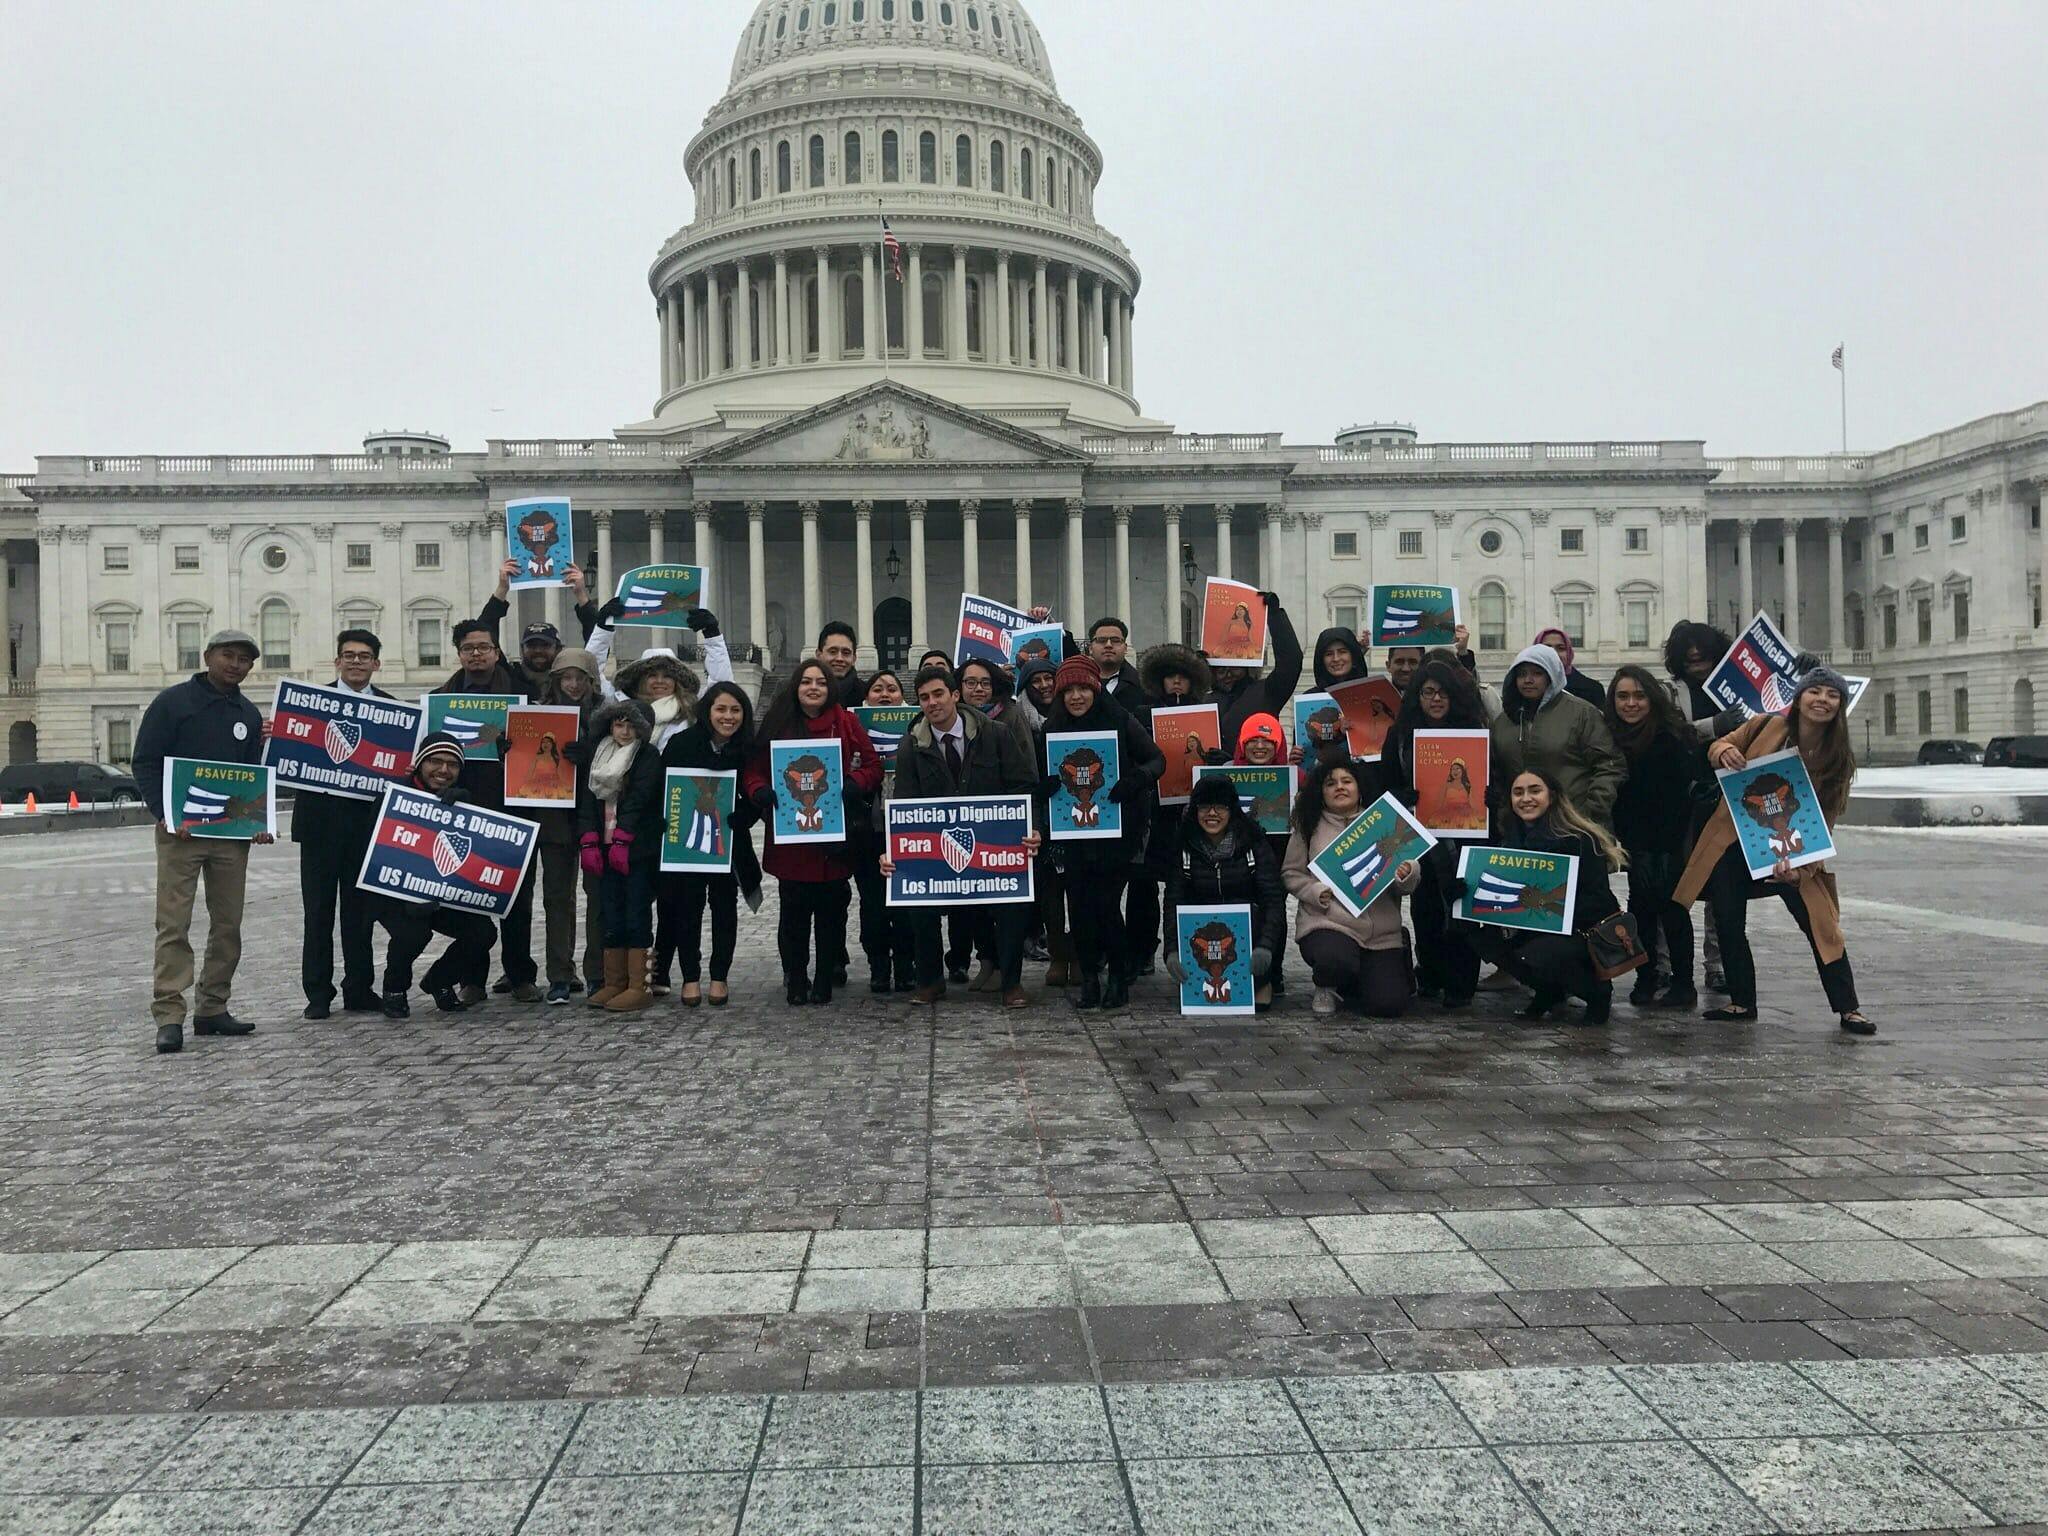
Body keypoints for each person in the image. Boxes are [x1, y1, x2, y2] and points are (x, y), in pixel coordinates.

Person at [1674, 667, 1872, 1034]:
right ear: (1799, 698)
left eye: (1832, 695)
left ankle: (1849, 1008)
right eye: (1816, 691)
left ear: (1840, 706)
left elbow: (1825, 820)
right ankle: (1741, 1001)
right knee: (1729, 919)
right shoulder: (1767, 726)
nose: (1822, 700)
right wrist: (1727, 751)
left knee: (1820, 924)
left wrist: (1802, 870)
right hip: (1735, 840)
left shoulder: (1838, 757)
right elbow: (1717, 746)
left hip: (1793, 848)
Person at [133, 629, 273, 1055]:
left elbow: (251, 778)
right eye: (227, 656)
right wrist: (166, 813)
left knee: (228, 924)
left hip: (230, 838)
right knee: (174, 924)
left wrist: (259, 822)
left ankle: (212, 1007)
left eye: (244, 660)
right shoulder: (173, 702)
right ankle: (170, 1015)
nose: (235, 665)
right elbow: (145, 761)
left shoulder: (248, 714)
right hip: (183, 834)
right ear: (208, 656)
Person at [885, 664, 1043, 1007]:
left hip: (993, 844)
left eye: (938, 694)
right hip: (940, 852)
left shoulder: (995, 734)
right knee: (917, 896)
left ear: (955, 695)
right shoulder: (911, 746)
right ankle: (930, 980)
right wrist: (893, 850)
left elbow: (1024, 785)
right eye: (924, 698)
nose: (932, 703)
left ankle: (1012, 982)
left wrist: (1034, 829)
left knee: (1015, 903)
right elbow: (905, 804)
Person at [743, 658, 884, 1005]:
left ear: (829, 688)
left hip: (833, 836)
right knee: (793, 913)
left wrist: (855, 782)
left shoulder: (846, 722)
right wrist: (759, 790)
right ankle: (796, 976)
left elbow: (872, 765)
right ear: (796, 686)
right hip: (793, 839)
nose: (813, 688)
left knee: (830, 913)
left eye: (820, 682)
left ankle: (823, 977)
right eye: (806, 682)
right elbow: (754, 769)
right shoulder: (779, 723)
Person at [1042, 656, 1165, 1008]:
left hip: (1117, 830)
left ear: (1095, 690)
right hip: (1073, 833)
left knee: (1107, 906)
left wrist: (1135, 781)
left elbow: (1156, 760)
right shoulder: (1053, 730)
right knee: (1079, 908)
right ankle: (1090, 980)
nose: (1076, 697)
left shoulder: (1121, 721)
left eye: (1083, 689)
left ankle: (1117, 977)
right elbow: (1041, 774)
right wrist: (1047, 786)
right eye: (1069, 691)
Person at [435, 619, 543, 1003]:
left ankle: (520, 975)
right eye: (469, 648)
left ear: (497, 652)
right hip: (464, 809)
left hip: (515, 809)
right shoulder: (440, 697)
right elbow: (432, 760)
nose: (476, 654)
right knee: (468, 898)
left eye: (484, 647)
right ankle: (472, 979)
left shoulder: (523, 694)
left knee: (517, 898)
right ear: (459, 654)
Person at [1383, 660, 1494, 1008]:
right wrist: (1402, 798)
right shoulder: (1400, 736)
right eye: (1428, 692)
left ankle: (1461, 982)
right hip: (1420, 838)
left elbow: (1495, 780)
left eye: (1443, 693)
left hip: (1467, 838)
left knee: (1463, 907)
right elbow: (1385, 787)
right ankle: (1430, 972)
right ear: (1417, 696)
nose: (1435, 699)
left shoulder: (1475, 730)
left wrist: (1491, 797)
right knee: (1426, 909)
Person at [294, 628, 392, 1020]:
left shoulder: (392, 711)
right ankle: (318, 994)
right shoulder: (309, 705)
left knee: (360, 914)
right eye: (348, 655)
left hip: (365, 826)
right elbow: (287, 759)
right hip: (318, 825)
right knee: (317, 913)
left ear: (376, 664)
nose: (356, 662)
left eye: (364, 656)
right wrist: (276, 736)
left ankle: (359, 988)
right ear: (337, 662)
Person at [1480, 769, 1627, 1026]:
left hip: (1583, 929)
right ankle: (1549, 991)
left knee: (1539, 952)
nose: (1526, 798)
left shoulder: (1581, 839)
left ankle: (1597, 993)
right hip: (1533, 920)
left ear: (1553, 796)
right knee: (1481, 937)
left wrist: (1555, 910)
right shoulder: (1511, 839)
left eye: (1535, 790)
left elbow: (1599, 901)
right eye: (1518, 792)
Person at [1283, 757, 1419, 1018]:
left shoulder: (1385, 822)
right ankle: (1327, 983)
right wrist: (1314, 891)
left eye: (1347, 781)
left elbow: (1405, 885)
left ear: (1360, 787)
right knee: (1334, 959)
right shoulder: (1308, 824)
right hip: (1329, 922)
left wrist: (1408, 872)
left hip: (1380, 932)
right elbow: (1291, 872)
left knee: (1387, 1005)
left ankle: (1373, 972)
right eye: (1330, 783)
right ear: (1321, 792)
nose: (1339, 787)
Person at [376, 733, 498, 1018]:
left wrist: (466, 811)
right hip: (394, 892)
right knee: (413, 932)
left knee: (482, 932)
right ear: (419, 763)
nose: (443, 770)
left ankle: (440, 980)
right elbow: (377, 852)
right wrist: (406, 894)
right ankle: (394, 987)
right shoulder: (394, 795)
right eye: (435, 761)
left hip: (443, 893)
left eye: (452, 765)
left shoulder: (464, 798)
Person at [1606, 665, 1704, 1008]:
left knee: (1673, 910)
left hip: (1669, 840)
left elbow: (1680, 797)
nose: (1631, 703)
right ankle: (1646, 978)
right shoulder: (1613, 737)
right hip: (1635, 839)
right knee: (1641, 911)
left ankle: (1684, 983)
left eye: (1638, 696)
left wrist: (1668, 846)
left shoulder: (1670, 736)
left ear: (1652, 698)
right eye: (1623, 696)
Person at [661, 681, 763, 1007]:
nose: (728, 717)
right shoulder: (682, 744)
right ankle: (690, 977)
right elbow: (663, 789)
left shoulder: (747, 748)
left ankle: (720, 977)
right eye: (721, 709)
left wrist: (743, 815)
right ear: (708, 711)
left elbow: (754, 791)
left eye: (735, 710)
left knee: (724, 910)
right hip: (687, 844)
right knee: (687, 910)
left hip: (728, 844)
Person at [1163, 774, 1287, 1011]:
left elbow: (1273, 900)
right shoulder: (1184, 847)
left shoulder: (1254, 843)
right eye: (1204, 807)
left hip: (1249, 933)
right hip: (1202, 937)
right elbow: (1173, 901)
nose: (1212, 814)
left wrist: (1266, 947)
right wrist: (1171, 950)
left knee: (1260, 1002)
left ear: (1232, 810)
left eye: (1220, 807)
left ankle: (1265, 978)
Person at [578, 699, 666, 1013]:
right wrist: (588, 839)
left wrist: (624, 838)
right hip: (604, 846)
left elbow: (641, 798)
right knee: (610, 913)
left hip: (636, 850)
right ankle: (613, 981)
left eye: (630, 725)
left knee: (636, 913)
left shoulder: (646, 755)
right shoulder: (599, 753)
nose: (624, 731)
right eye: (618, 724)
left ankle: (638, 984)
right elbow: (587, 800)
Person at [1490, 643, 1627, 829]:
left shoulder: (1582, 713)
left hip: (1575, 825)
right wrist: (1503, 812)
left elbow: (1609, 765)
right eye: (1522, 674)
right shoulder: (1503, 722)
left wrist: (1591, 810)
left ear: (1552, 675)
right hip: (1521, 829)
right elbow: (1497, 773)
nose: (1528, 680)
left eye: (1537, 673)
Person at [535, 648, 604, 1004]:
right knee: (557, 898)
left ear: (591, 681)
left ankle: (596, 972)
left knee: (598, 897)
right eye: (566, 677)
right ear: (556, 680)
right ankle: (560, 974)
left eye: (580, 677)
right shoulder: (537, 715)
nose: (573, 684)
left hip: (595, 816)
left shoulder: (607, 717)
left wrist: (589, 754)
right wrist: (510, 750)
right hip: (554, 818)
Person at [851, 671, 917, 993]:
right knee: (873, 904)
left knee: (905, 905)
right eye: (877, 689)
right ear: (866, 698)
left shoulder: (916, 731)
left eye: (892, 689)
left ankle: (906, 965)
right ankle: (879, 965)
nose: (885, 694)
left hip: (905, 830)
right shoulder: (853, 732)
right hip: (868, 831)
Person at [475, 559, 598, 691]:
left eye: (545, 645)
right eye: (532, 645)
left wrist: (581, 595)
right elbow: (484, 632)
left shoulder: (571, 685)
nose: (538, 651)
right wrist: (502, 589)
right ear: (522, 649)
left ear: (558, 649)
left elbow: (597, 642)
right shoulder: (507, 678)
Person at [1211, 592, 1303, 745]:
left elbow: (1291, 662)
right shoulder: (1206, 700)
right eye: (1221, 670)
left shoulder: (1266, 691)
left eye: (1234, 668)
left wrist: (1275, 617)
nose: (1227, 675)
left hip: (1260, 766)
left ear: (1247, 667)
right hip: (1218, 768)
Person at [1531, 626, 1606, 707]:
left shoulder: (1592, 690)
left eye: (1561, 648)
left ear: (1569, 653)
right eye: (1546, 648)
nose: (1554, 653)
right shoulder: (1526, 688)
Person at [817, 621, 864, 706]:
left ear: (854, 658)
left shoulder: (866, 694)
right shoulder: (800, 693)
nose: (839, 658)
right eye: (833, 651)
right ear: (819, 655)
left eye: (846, 653)